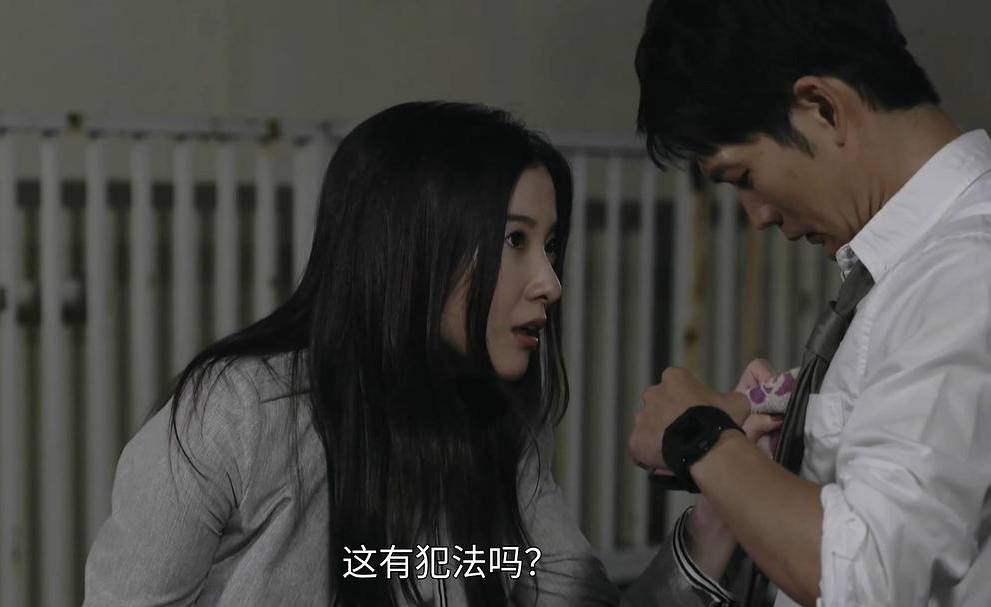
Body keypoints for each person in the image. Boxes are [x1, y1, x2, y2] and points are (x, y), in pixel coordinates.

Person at [84, 101, 755, 606]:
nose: (550, 282)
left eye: (550, 245)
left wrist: (717, 517)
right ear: (412, 246)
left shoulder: (500, 431)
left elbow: (556, 589)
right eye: (515, 240)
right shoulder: (235, 415)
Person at [628, 1, 991, 606]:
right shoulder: (917, 268)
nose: (758, 216)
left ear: (823, 108)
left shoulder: (964, 269)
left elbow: (867, 576)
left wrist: (701, 438)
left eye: (744, 177)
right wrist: (766, 432)